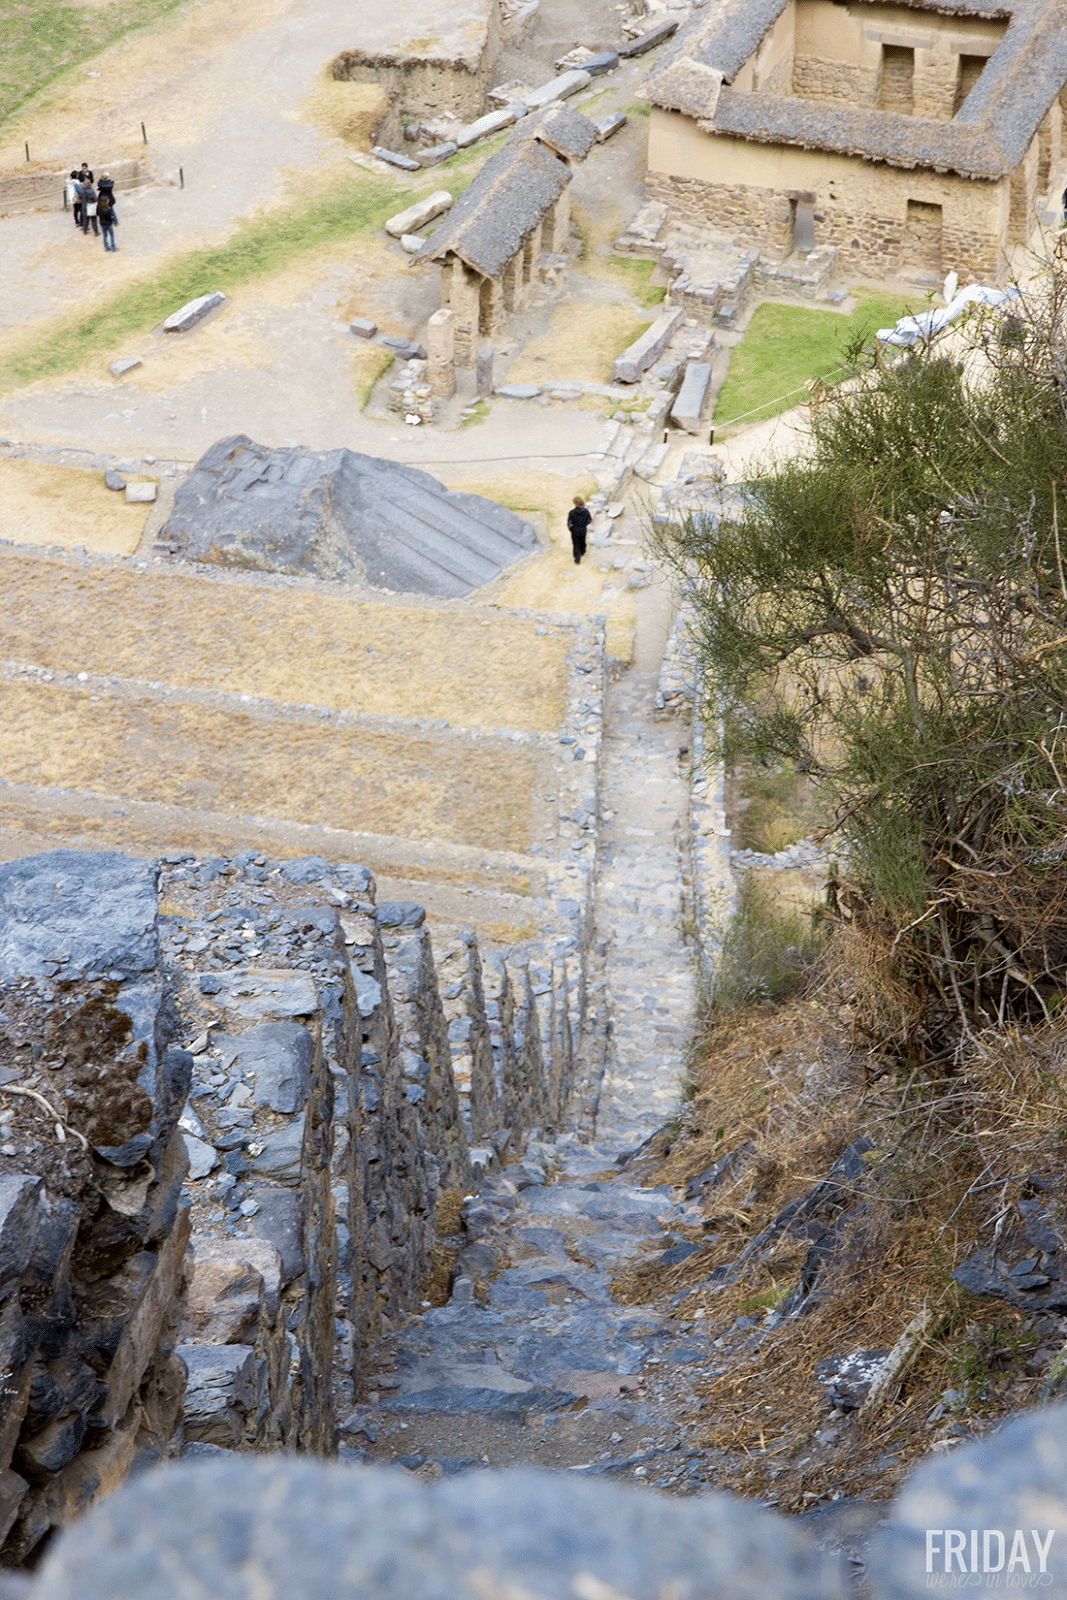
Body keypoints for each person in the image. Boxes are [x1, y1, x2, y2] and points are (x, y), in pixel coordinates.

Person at [567, 495, 591, 565]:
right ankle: (583, 551)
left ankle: (577, 559)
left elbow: (569, 523)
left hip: (575, 531)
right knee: (582, 541)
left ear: (575, 504)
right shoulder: (586, 511)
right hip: (583, 530)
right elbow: (589, 520)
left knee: (576, 544)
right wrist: (584, 524)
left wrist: (571, 529)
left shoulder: (572, 512)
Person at [98, 186, 117, 251]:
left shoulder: (98, 207)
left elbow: (97, 214)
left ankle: (106, 248)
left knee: (105, 236)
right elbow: (111, 217)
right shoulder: (108, 209)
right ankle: (113, 247)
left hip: (102, 224)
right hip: (109, 224)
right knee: (112, 235)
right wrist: (113, 220)